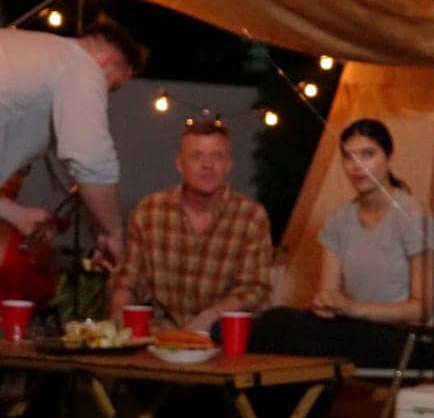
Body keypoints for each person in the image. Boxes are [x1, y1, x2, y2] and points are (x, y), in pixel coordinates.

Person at [250, 118, 434, 418]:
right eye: (349, 156)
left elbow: (421, 309)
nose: (358, 165)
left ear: (390, 159)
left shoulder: (411, 215)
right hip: (353, 331)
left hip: (403, 340)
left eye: (369, 154)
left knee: (296, 333)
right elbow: (329, 295)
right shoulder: (339, 220)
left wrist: (352, 308)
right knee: (272, 324)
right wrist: (327, 304)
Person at [0, 18, 147, 267]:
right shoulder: (82, 67)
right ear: (107, 61)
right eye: (113, 87)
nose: (105, 97)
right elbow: (90, 160)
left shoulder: (25, 47)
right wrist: (112, 233)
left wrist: (16, 214)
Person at [110, 117, 272, 332]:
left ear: (229, 164)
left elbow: (254, 288)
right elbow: (129, 277)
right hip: (158, 337)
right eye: (197, 156)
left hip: (222, 336)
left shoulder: (251, 217)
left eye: (217, 156)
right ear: (179, 163)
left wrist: (210, 317)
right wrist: (118, 311)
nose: (207, 165)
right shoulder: (150, 211)